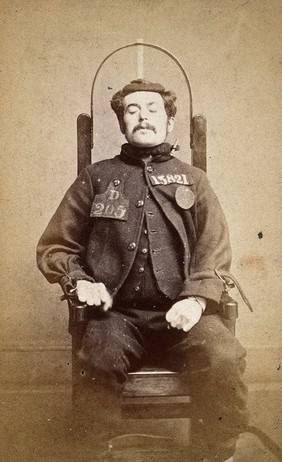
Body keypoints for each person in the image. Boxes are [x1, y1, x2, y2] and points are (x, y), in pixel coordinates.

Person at [36, 79, 249, 462]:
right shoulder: (96, 178)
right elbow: (55, 246)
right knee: (97, 357)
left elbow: (214, 248)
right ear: (122, 124)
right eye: (132, 111)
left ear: (169, 120)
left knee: (222, 356)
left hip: (181, 314)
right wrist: (80, 282)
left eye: (152, 109)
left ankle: (216, 453)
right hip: (116, 316)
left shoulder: (194, 181)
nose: (142, 117)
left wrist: (198, 299)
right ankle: (94, 452)